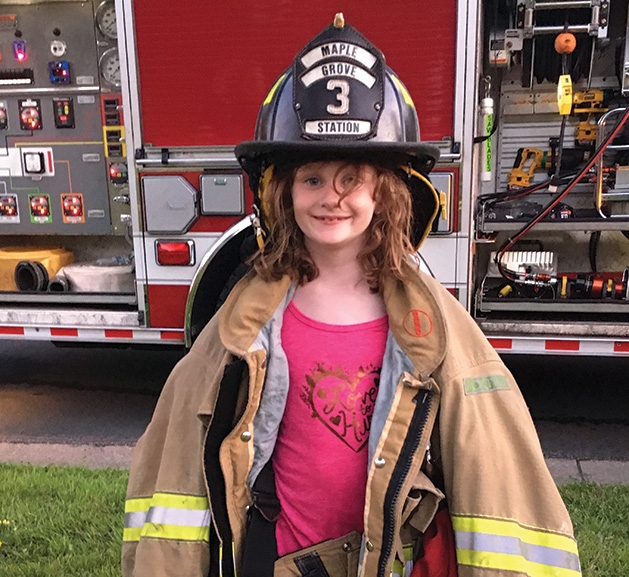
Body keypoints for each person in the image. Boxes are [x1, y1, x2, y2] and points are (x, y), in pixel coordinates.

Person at [122, 14, 581, 577]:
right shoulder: (246, 317)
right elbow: (172, 464)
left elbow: (498, 470)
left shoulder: (430, 324)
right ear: (281, 193)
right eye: (312, 179)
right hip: (275, 561)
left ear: (385, 192)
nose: (331, 199)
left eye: (351, 180)